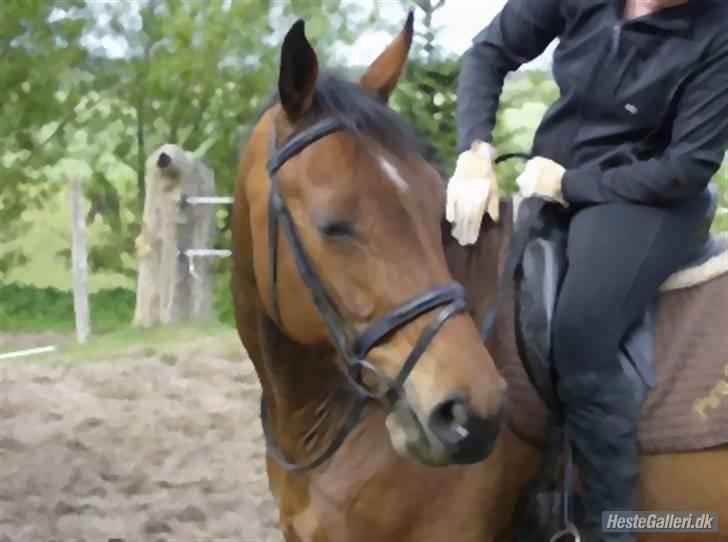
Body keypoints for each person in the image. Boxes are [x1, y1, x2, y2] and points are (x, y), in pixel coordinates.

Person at [446, 0, 728, 540]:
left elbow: (686, 167)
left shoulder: (717, 31)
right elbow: (489, 51)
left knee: (581, 330)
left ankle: (609, 524)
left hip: (652, 198)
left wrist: (569, 186)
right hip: (551, 177)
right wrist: (474, 152)